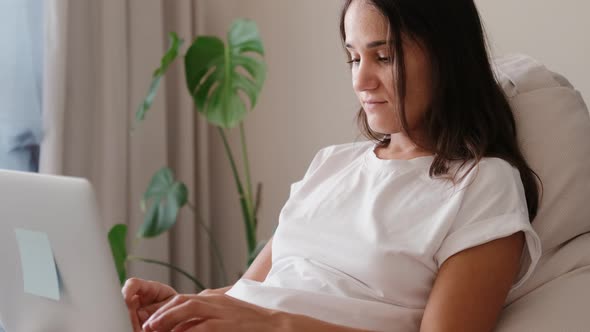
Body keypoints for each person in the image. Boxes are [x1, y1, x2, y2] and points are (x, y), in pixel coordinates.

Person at [122, 0, 543, 331]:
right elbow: (249, 293)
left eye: (384, 57)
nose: (361, 81)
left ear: (446, 58)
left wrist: (274, 326)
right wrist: (178, 307)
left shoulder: (483, 183)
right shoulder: (331, 164)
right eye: (354, 58)